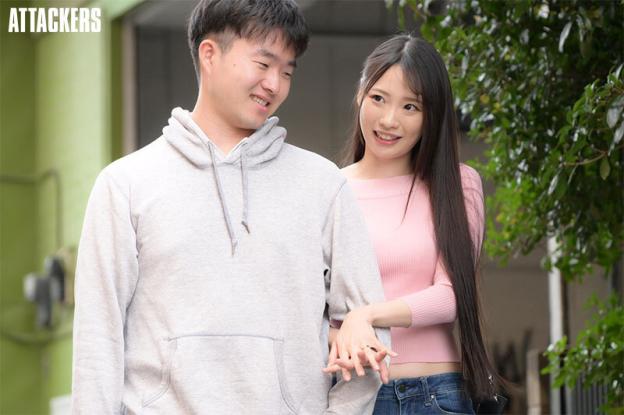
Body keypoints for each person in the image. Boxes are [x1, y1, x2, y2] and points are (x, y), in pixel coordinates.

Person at [70, 1, 391, 413]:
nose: (274, 84)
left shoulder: (322, 185)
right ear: (209, 54)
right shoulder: (125, 184)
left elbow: (369, 326)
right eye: (263, 63)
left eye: (287, 72)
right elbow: (98, 337)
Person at [323, 35, 501, 414]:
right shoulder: (327, 189)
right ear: (360, 95)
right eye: (378, 98)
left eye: (410, 107)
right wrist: (341, 335)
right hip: (355, 397)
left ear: (431, 116)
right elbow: (304, 308)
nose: (389, 120)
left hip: (436, 395)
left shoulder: (457, 183)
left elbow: (451, 295)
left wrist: (365, 316)